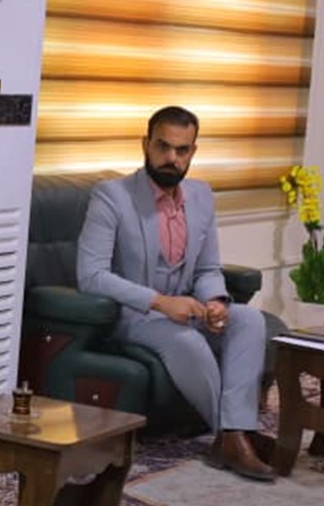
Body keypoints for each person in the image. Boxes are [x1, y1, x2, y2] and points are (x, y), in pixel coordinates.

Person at [77, 106, 276, 481]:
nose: (171, 158)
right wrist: (160, 302)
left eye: (182, 150)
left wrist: (215, 302)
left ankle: (233, 437)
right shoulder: (111, 197)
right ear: (146, 145)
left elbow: (207, 269)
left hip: (187, 309)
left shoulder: (201, 195)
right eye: (163, 146)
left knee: (249, 319)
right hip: (133, 315)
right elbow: (92, 276)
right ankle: (234, 435)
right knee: (186, 341)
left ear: (193, 152)